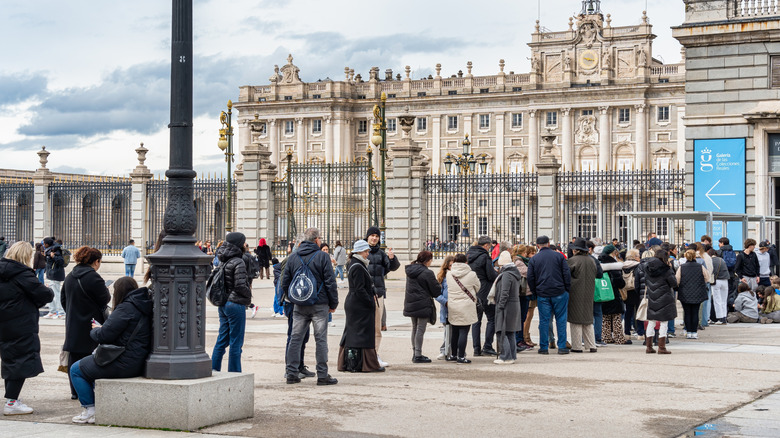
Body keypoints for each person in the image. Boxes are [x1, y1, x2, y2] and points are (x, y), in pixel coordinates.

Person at [69, 277, 152, 424]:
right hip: (138, 360)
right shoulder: (144, 305)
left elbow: (103, 336)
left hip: (123, 362)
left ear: (118, 292)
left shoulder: (126, 307)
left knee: (76, 369)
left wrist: (95, 330)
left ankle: (90, 411)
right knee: (89, 367)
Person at [0, 242, 54, 415]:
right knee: (21, 360)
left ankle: (11, 399)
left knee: (10, 359)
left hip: (4, 323)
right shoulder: (22, 274)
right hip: (21, 323)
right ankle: (11, 402)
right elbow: (45, 294)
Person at [282, 228, 339, 385]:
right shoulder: (322, 256)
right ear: (316, 240)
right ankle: (322, 375)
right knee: (320, 339)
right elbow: (330, 281)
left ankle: (291, 373)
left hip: (299, 305)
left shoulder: (293, 257)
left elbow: (285, 282)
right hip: (319, 304)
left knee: (295, 338)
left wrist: (293, 298)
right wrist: (333, 303)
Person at [61, 246, 111, 400]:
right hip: (92, 323)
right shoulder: (93, 277)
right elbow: (105, 299)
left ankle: (75, 391)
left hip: (73, 322)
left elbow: (64, 300)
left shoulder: (70, 276)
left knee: (74, 356)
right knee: (91, 358)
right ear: (96, 261)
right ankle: (88, 390)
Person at [337, 240, 383, 372]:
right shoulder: (357, 266)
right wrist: (370, 301)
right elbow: (359, 289)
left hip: (356, 303)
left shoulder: (356, 263)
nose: (368, 254)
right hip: (359, 304)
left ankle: (353, 363)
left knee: (355, 333)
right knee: (362, 334)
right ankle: (363, 364)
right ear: (358, 251)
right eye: (366, 251)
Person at [211, 232, 252, 373]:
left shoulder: (223, 258)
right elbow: (240, 285)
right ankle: (234, 373)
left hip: (223, 303)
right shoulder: (238, 261)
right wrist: (249, 295)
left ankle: (214, 369)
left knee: (222, 339)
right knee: (236, 342)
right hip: (235, 303)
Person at [527, 235, 571, 355]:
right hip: (559, 291)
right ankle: (562, 346)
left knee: (544, 321)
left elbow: (530, 277)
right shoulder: (558, 256)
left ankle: (544, 347)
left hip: (543, 292)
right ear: (548, 243)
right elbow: (566, 273)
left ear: (537, 246)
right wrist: (567, 288)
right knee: (561, 320)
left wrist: (535, 291)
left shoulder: (534, 259)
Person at [365, 226, 399, 367]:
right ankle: (364, 355)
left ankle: (374, 355)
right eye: (372, 235)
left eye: (377, 236)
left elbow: (392, 267)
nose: (374, 238)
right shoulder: (361, 251)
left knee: (377, 327)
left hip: (378, 293)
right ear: (367, 237)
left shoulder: (381, 253)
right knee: (365, 326)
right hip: (365, 294)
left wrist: (392, 259)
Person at [403, 251, 442, 363]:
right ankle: (418, 355)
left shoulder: (411, 270)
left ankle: (415, 352)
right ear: (427, 260)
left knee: (415, 327)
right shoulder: (427, 272)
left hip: (411, 302)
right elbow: (435, 290)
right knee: (420, 329)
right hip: (422, 303)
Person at [638, 249, 677, 354]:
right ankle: (661, 347)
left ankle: (649, 346)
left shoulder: (647, 268)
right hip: (665, 298)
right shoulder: (666, 269)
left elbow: (646, 282)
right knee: (664, 322)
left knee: (651, 321)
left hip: (652, 297)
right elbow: (673, 283)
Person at [466, 235, 498, 356]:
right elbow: (490, 276)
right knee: (492, 318)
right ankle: (488, 346)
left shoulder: (468, 255)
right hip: (484, 290)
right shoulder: (485, 257)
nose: (489, 248)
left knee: (476, 321)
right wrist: (496, 273)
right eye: (489, 246)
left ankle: (476, 348)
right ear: (486, 245)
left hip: (472, 291)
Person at [566, 238, 598, 353]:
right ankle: (591, 345)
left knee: (576, 320)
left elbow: (566, 275)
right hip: (589, 292)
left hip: (575, 292)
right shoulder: (591, 261)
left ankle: (577, 346)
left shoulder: (572, 260)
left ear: (576, 250)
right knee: (588, 320)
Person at [446, 254, 480, 363]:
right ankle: (461, 356)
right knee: (463, 331)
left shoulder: (449, 274)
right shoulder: (471, 274)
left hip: (453, 305)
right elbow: (478, 287)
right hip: (466, 305)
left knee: (455, 331)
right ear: (466, 262)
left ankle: (454, 354)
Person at [492, 251, 522, 364]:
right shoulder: (514, 273)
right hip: (514, 304)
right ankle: (512, 355)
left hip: (507, 305)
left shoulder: (506, 275)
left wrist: (500, 305)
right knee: (510, 332)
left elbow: (505, 292)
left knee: (501, 331)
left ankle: (505, 356)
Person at [676, 249, 710, 340]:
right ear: (695, 256)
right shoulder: (700, 266)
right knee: (695, 312)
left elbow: (677, 280)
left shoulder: (681, 267)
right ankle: (694, 332)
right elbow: (707, 278)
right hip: (698, 291)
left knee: (687, 313)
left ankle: (688, 332)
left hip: (685, 292)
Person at [599, 245, 628, 344]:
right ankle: (619, 338)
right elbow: (619, 282)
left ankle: (606, 337)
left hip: (603, 293)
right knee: (616, 317)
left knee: (605, 317)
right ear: (612, 253)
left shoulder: (600, 263)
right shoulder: (614, 265)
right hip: (613, 294)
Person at [435, 255, 455, 360]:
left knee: (454, 331)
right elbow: (437, 294)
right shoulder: (442, 277)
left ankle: (452, 350)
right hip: (446, 307)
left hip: (456, 307)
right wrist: (445, 302)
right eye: (450, 265)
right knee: (447, 331)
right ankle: (444, 350)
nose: (452, 267)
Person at [43, 237, 66, 319]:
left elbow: (61, 262)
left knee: (56, 294)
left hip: (55, 275)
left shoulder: (56, 250)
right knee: (51, 294)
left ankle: (61, 312)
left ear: (47, 244)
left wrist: (53, 257)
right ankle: (52, 311)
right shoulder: (50, 249)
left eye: (44, 243)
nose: (43, 245)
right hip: (51, 275)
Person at [622, 249, 641, 339]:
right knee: (639, 312)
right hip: (636, 290)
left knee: (628, 312)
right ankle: (640, 333)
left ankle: (627, 332)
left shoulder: (623, 265)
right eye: (638, 255)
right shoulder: (638, 265)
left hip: (627, 290)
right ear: (635, 257)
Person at [521, 245, 537, 348]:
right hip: (529, 291)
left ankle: (526, 336)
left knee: (529, 315)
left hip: (531, 291)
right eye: (532, 253)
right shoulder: (527, 263)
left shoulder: (528, 262)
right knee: (528, 316)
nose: (534, 255)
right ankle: (525, 337)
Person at [708, 249, 730, 324]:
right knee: (724, 300)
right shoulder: (722, 260)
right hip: (725, 280)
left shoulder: (711, 261)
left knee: (717, 300)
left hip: (716, 281)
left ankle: (719, 318)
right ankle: (724, 317)